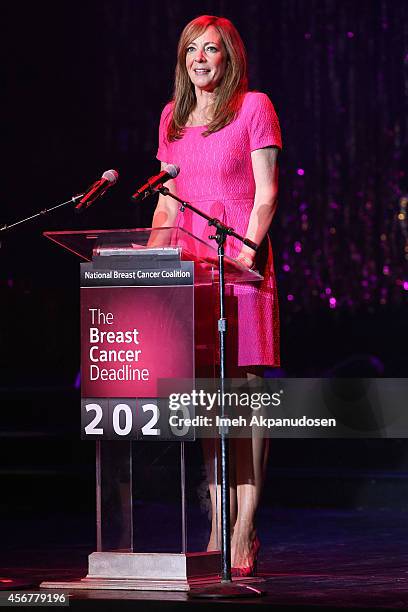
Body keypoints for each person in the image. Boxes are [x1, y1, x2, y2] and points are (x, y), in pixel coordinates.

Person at [152, 14, 281, 576]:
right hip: (192, 266)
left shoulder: (253, 107)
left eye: (211, 50)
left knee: (246, 391)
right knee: (207, 395)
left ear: (230, 58)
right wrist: (150, 262)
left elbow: (267, 191)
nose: (200, 59)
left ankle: (245, 528)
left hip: (240, 262)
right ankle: (215, 523)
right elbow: (168, 200)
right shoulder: (172, 118)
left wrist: (247, 251)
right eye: (191, 51)